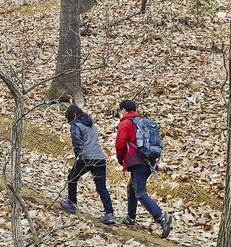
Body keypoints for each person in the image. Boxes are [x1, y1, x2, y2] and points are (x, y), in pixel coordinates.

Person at [114, 99, 172, 237]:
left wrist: (121, 159)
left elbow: (120, 144)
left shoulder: (126, 123)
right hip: (149, 161)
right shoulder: (143, 122)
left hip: (136, 161)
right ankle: (130, 218)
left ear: (123, 110)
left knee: (140, 192)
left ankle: (161, 218)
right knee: (131, 188)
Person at [59, 105, 116, 225]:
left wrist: (78, 155)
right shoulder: (92, 125)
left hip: (86, 157)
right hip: (100, 158)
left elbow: (76, 140)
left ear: (70, 116)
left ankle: (71, 203)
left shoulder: (76, 125)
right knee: (101, 187)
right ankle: (109, 213)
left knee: (72, 178)